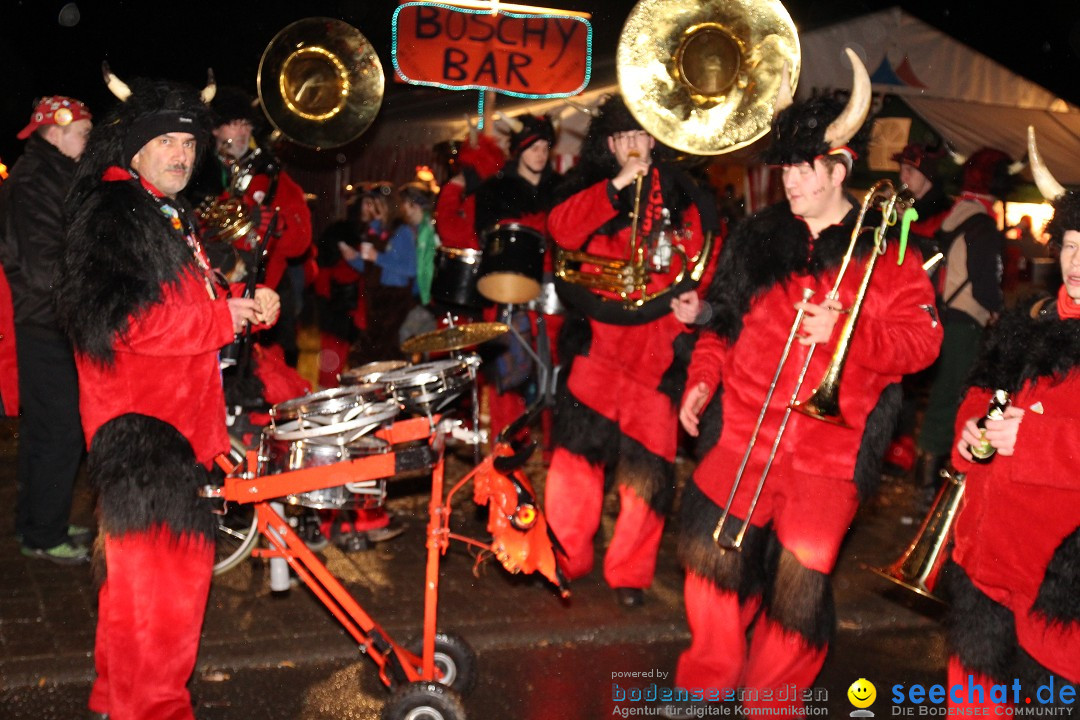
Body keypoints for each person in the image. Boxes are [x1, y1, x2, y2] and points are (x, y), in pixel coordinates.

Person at [673, 55, 941, 714]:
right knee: (712, 564)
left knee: (799, 588)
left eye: (802, 168)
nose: (788, 180)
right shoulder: (758, 240)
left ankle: (771, 703)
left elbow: (923, 343)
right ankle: (708, 681)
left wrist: (849, 334)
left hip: (828, 455)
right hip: (741, 434)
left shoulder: (890, 254)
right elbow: (722, 326)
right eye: (785, 168)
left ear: (838, 170)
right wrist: (701, 384)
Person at [54, 73, 280, 720]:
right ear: (135, 146)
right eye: (168, 142)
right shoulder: (114, 210)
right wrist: (222, 320)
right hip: (150, 432)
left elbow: (179, 307)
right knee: (169, 597)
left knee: (134, 592)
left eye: (189, 141)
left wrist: (238, 306)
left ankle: (115, 702)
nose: (183, 153)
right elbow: (123, 324)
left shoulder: (155, 208)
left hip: (167, 426)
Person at [544, 94, 718, 608]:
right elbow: (561, 231)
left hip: (657, 354)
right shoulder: (590, 188)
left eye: (640, 137)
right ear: (609, 144)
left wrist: (697, 303)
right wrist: (619, 186)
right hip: (598, 348)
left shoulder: (686, 198)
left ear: (655, 137)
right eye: (621, 139)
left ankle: (630, 574)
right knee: (574, 467)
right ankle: (565, 558)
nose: (632, 147)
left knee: (649, 473)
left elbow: (707, 264)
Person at [942, 137, 1079, 711]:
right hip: (986, 555)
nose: (1077, 261)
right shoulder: (1032, 318)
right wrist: (971, 430)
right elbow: (981, 392)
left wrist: (1034, 440)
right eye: (1071, 245)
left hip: (1057, 576)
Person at [0, 95, 93, 563]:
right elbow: (44, 266)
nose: (87, 140)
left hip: (47, 318)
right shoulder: (38, 178)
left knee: (46, 432)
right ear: (54, 132)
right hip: (48, 321)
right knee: (60, 431)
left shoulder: (49, 173)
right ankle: (45, 533)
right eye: (82, 132)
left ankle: (38, 522)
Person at [913, 147, 1009, 510]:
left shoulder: (956, 215)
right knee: (950, 400)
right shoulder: (982, 224)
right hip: (965, 323)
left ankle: (925, 488)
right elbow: (987, 283)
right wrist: (998, 310)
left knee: (942, 398)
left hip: (945, 318)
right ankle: (928, 495)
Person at [204, 86, 312, 366]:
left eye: (246, 124)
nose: (242, 132)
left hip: (264, 295)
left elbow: (299, 242)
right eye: (233, 124)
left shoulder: (272, 176)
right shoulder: (196, 176)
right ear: (215, 130)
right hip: (209, 299)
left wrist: (274, 225)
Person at [473, 113, 562, 443]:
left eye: (544, 147)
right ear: (518, 150)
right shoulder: (496, 190)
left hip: (553, 292)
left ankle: (556, 453)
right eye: (532, 147)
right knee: (508, 377)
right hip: (509, 290)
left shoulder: (561, 188)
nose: (540, 153)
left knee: (558, 372)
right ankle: (505, 453)